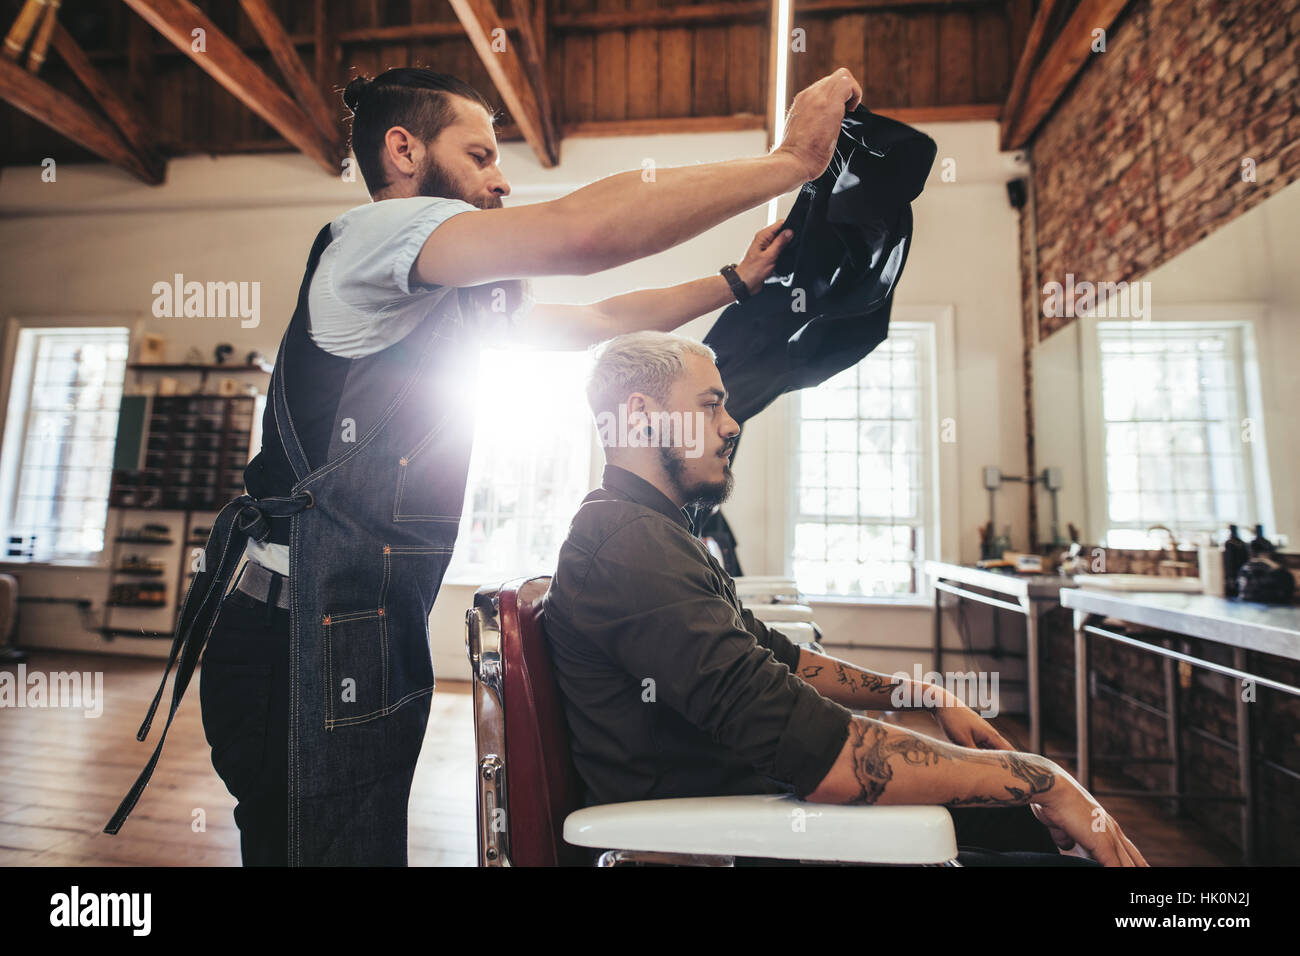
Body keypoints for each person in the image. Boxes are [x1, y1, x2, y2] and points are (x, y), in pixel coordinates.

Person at [104, 65, 868, 865]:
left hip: (363, 625)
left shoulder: (442, 299)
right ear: (403, 150)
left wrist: (730, 285)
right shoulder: (372, 239)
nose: (501, 181)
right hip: (292, 635)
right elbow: (582, 235)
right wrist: (789, 164)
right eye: (480, 156)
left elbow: (598, 318)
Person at [541, 332, 1149, 867]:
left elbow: (777, 655)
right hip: (731, 840)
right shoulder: (627, 545)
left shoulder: (651, 530)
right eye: (711, 405)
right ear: (642, 415)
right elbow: (825, 757)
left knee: (1018, 824)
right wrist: (1043, 778)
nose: (731, 425)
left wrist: (914, 692)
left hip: (759, 806)